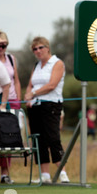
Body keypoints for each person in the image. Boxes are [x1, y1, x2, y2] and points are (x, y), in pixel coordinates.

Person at [24, 36, 69, 184]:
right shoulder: (36, 65)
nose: (38, 51)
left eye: (40, 47)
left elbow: (52, 85)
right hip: (35, 106)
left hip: (51, 105)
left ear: (47, 48)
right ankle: (45, 175)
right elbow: (30, 85)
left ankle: (62, 172)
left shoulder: (57, 63)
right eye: (35, 49)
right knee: (39, 139)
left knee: (53, 138)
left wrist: (34, 93)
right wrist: (28, 96)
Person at [0, 30, 22, 110]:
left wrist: (18, 99)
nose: (0, 48)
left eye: (3, 46)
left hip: (12, 99)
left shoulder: (11, 58)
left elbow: (16, 80)